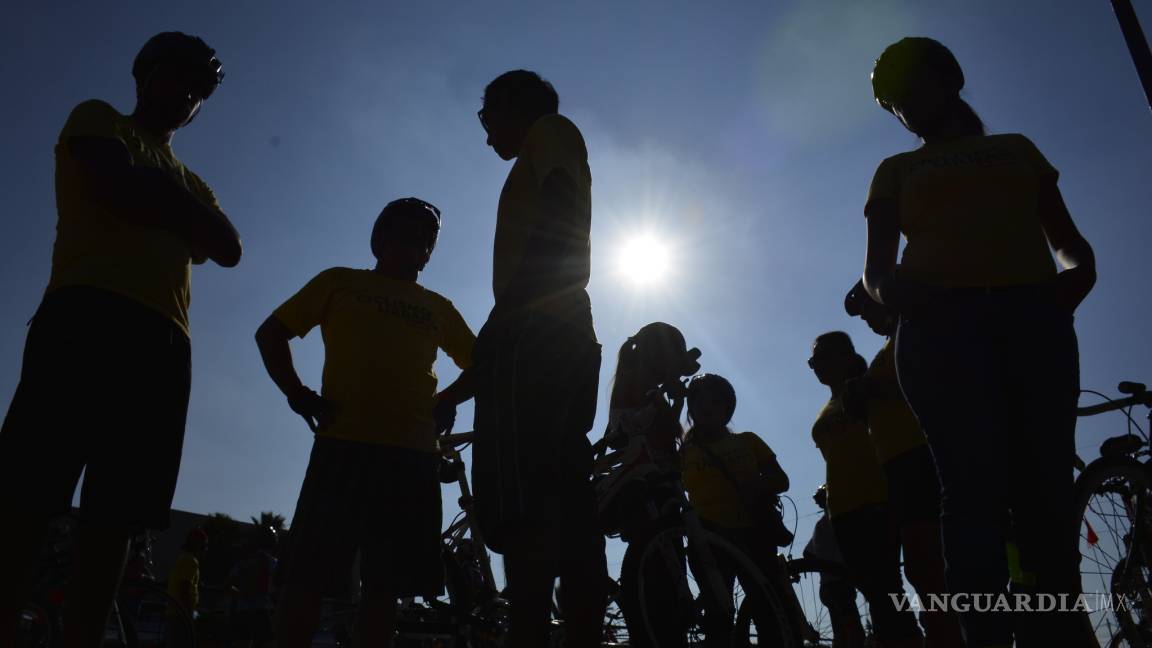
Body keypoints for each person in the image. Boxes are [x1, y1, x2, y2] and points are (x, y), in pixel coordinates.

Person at [0, 31, 241, 648]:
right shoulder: (98, 118)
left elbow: (229, 247)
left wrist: (161, 195)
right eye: (176, 78)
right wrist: (175, 207)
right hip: (84, 317)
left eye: (199, 90)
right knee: (27, 496)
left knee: (116, 518)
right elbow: (115, 186)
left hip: (164, 342)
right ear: (144, 75)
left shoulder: (193, 177)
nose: (186, 94)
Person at [862, 37, 1096, 647]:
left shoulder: (1015, 150)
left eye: (910, 88)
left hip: (1032, 321)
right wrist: (895, 295)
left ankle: (1059, 633)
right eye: (892, 103)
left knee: (1045, 494)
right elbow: (877, 269)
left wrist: (1078, 272)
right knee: (970, 496)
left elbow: (1065, 238)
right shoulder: (895, 170)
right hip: (943, 331)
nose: (904, 108)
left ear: (948, 79)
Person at [255, 197, 475, 648]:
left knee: (385, 589)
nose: (417, 242)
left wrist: (449, 397)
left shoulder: (438, 306)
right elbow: (271, 332)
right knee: (307, 580)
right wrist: (296, 393)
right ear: (379, 239)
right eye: (407, 231)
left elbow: (484, 364)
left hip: (412, 458)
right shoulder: (339, 282)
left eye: (426, 238)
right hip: (343, 447)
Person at [471, 69, 605, 647]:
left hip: (537, 329)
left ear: (512, 105)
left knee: (525, 498)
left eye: (486, 118)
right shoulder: (552, 142)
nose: (486, 136)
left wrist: (511, 309)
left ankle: (527, 631)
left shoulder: (549, 131)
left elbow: (558, 198)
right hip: (566, 328)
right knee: (565, 488)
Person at [844, 281, 964, 648]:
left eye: (867, 310)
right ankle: (946, 632)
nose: (865, 319)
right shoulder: (890, 344)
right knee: (922, 562)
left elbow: (935, 379)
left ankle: (951, 635)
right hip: (900, 464)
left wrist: (871, 389)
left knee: (928, 560)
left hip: (920, 457)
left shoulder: (915, 332)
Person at [808, 331, 922, 648]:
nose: (817, 365)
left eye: (823, 357)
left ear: (846, 356)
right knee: (872, 591)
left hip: (875, 499)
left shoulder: (868, 387)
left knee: (885, 589)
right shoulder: (828, 407)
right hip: (842, 509)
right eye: (812, 361)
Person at [680, 373, 808, 644]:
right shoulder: (684, 453)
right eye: (700, 401)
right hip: (708, 538)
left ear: (728, 408)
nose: (708, 407)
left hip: (753, 532)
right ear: (691, 408)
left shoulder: (748, 441)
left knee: (768, 609)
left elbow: (781, 480)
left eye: (716, 401)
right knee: (719, 615)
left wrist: (758, 485)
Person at [597, 322, 700, 647]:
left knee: (663, 569)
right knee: (657, 571)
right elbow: (631, 432)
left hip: (659, 486)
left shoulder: (639, 383)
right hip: (647, 489)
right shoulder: (638, 383)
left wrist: (675, 399)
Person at [803, 485, 866, 648]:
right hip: (839, 585)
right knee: (855, 632)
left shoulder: (821, 524)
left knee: (841, 633)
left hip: (827, 587)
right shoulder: (838, 521)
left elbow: (807, 553)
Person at [226, 526, 279, 647]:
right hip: (260, 611)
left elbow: (228, 584)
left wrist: (241, 594)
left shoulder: (244, 562)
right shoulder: (271, 562)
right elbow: (278, 585)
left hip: (241, 611)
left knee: (242, 643)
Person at [167, 528, 208, 616]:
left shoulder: (183, 558)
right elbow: (184, 588)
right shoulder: (191, 561)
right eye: (204, 545)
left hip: (174, 610)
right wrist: (188, 611)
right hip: (181, 613)